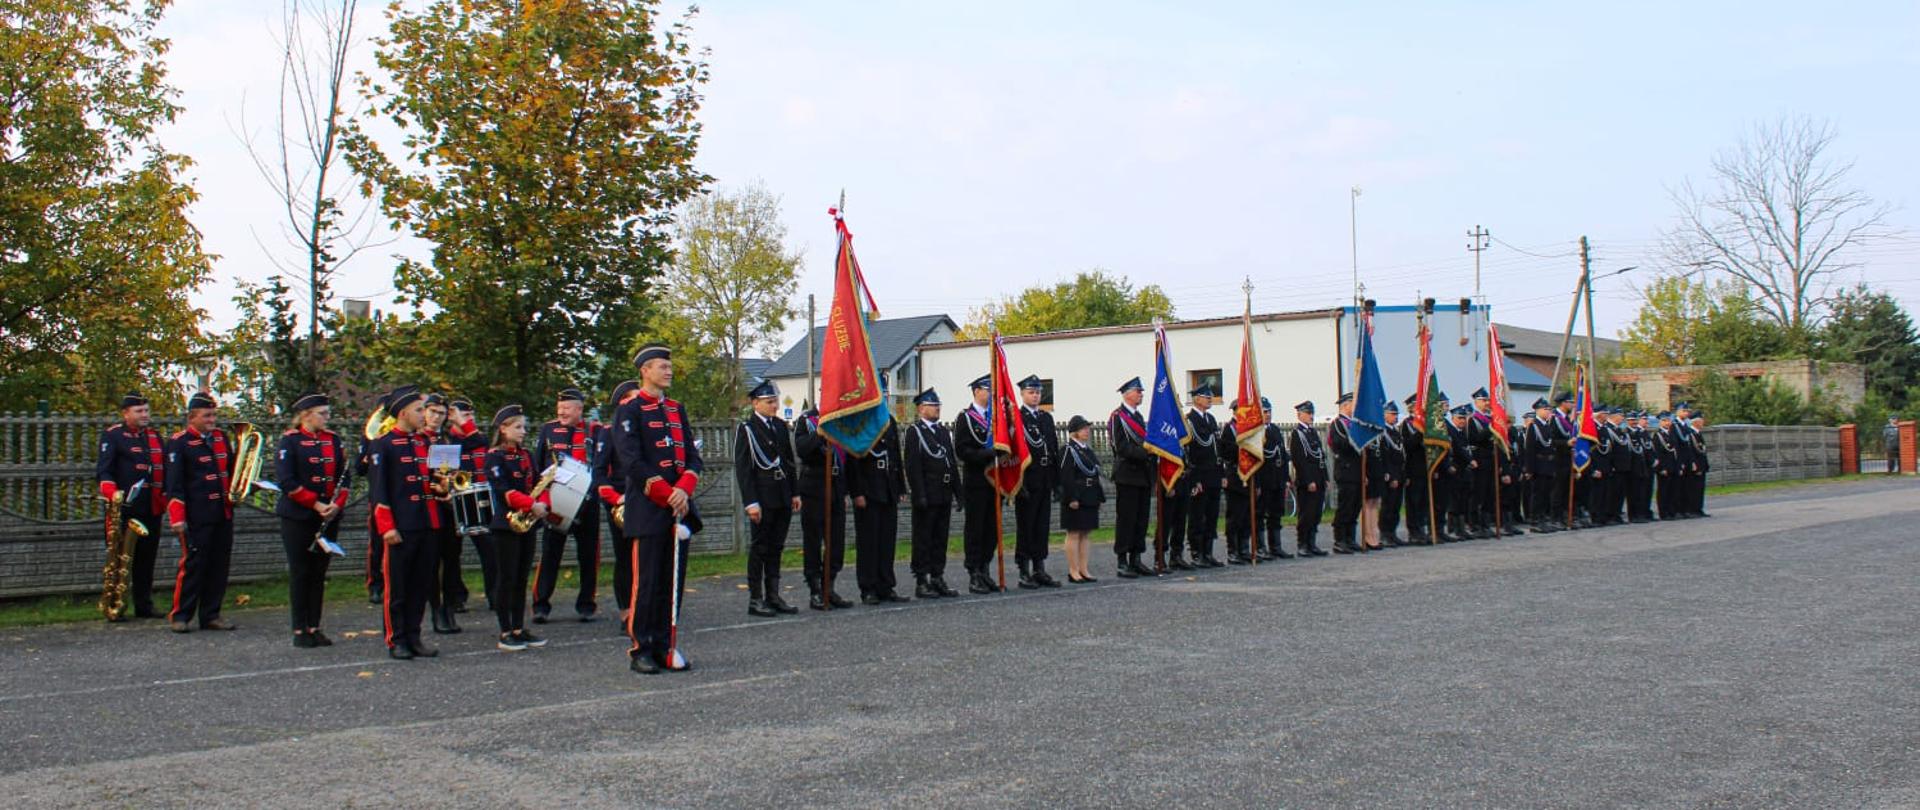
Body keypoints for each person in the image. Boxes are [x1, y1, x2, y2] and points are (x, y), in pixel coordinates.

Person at [615, 343, 705, 675]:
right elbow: (632, 461)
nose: (668, 371)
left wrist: (684, 489)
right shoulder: (629, 409)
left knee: (673, 582)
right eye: (661, 367)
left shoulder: (677, 409)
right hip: (650, 508)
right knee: (647, 582)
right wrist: (668, 494)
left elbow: (693, 457)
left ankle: (666, 644)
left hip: (678, 507)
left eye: (669, 366)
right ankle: (641, 648)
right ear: (645, 371)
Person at [366, 386, 439, 659]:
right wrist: (387, 527)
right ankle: (396, 639)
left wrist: (442, 486)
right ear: (403, 413)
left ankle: (414, 635)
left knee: (420, 585)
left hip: (427, 522)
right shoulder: (382, 444)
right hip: (400, 525)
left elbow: (431, 479)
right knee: (397, 587)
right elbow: (379, 491)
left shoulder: (424, 443)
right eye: (419, 410)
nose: (423, 415)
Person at [273, 393, 349, 648]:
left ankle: (314, 625)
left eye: (328, 413)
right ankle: (299, 628)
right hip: (298, 515)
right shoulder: (290, 441)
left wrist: (336, 505)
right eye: (322, 413)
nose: (327, 418)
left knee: (319, 572)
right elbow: (286, 481)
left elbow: (344, 477)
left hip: (329, 515)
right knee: (300, 571)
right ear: (306, 415)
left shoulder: (333, 440)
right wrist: (316, 504)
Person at [164, 391, 242, 634]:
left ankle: (211, 614)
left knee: (219, 565)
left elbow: (231, 470)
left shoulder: (221, 438)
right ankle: (180, 615)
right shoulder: (180, 442)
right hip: (196, 514)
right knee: (194, 565)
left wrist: (241, 487)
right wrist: (177, 517)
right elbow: (174, 484)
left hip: (222, 512)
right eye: (206, 416)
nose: (212, 420)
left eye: (214, 415)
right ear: (192, 417)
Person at [531, 388, 602, 623]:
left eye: (567, 408)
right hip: (556, 501)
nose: (561, 412)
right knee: (550, 553)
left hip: (587, 503)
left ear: (579, 409)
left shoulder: (595, 430)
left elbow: (602, 464)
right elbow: (538, 463)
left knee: (588, 556)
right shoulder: (549, 429)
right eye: (559, 408)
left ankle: (586, 604)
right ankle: (541, 605)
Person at [482, 404, 549, 652]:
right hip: (505, 523)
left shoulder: (526, 455)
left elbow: (538, 482)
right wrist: (531, 504)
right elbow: (503, 490)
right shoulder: (494, 457)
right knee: (506, 577)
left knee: (521, 577)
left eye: (524, 427)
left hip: (527, 523)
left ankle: (519, 627)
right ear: (503, 428)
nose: (523, 431)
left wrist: (543, 503)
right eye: (518, 427)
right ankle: (505, 630)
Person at [95, 391, 166, 620]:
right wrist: (113, 494)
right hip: (124, 508)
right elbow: (104, 472)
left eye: (146, 410)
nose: (144, 415)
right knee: (119, 558)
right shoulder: (113, 436)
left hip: (150, 507)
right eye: (139, 411)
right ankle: (114, 605)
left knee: (146, 559)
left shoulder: (154, 437)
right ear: (126, 413)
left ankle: (144, 605)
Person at [734, 379, 800, 617]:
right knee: (760, 548)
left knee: (776, 547)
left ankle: (773, 594)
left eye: (775, 401)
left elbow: (789, 462)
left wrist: (794, 492)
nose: (775, 406)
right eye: (770, 402)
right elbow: (744, 469)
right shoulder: (747, 429)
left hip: (781, 494)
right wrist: (751, 502)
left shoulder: (780, 426)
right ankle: (755, 598)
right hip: (762, 497)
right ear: (755, 403)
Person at [903, 389, 963, 598]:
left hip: (943, 493)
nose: (937, 409)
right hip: (927, 494)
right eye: (932, 405)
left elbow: (951, 463)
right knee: (923, 538)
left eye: (938, 405)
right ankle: (922, 580)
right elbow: (913, 466)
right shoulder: (915, 432)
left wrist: (958, 492)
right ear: (921, 408)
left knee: (940, 538)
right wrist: (919, 494)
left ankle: (937, 576)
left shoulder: (942, 432)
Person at [795, 403, 852, 609]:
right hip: (814, 487)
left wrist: (845, 491)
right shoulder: (807, 420)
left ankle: (829, 586)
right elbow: (802, 450)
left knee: (836, 541)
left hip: (836, 486)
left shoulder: (841, 419)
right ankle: (815, 589)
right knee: (813, 541)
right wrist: (820, 434)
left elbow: (846, 457)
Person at [594, 380, 642, 623]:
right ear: (623, 402)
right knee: (624, 559)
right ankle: (626, 613)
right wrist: (617, 500)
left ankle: (645, 609)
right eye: (635, 397)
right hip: (621, 501)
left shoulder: (644, 428)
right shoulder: (608, 432)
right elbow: (599, 474)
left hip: (646, 499)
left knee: (647, 558)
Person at [849, 414, 910, 604]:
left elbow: (895, 453)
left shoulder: (888, 418)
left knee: (887, 541)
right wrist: (857, 492)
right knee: (868, 542)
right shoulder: (860, 418)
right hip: (869, 489)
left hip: (888, 486)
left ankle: (886, 585)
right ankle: (868, 587)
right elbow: (853, 458)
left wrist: (900, 486)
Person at [952, 375, 1005, 594]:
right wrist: (987, 454)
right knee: (975, 528)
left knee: (991, 529)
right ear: (976, 391)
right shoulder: (965, 418)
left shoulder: (996, 418)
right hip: (976, 481)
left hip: (995, 481)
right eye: (987, 389)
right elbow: (962, 450)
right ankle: (974, 571)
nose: (991, 393)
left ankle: (985, 568)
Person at [420, 393, 462, 635]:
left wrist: (451, 488)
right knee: (432, 561)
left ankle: (449, 608)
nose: (436, 417)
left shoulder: (446, 439)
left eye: (441, 413)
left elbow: (449, 472)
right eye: (432, 412)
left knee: (452, 560)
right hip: (427, 506)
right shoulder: (418, 439)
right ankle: (436, 610)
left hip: (448, 505)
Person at [1014, 375, 1062, 587]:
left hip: (1044, 477)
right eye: (1031, 392)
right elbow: (1014, 452)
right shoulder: (1017, 418)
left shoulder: (1046, 418)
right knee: (1027, 525)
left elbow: (1053, 450)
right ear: (1022, 394)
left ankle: (1039, 567)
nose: (1035, 396)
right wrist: (1019, 482)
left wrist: (1056, 482)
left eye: (1038, 392)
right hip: (1028, 478)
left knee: (1042, 526)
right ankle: (1024, 569)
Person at [1109, 377, 1159, 577]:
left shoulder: (1138, 417)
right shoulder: (1118, 416)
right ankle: (1122, 560)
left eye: (1141, 392)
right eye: (1138, 391)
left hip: (1143, 475)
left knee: (1141, 519)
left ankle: (1136, 558)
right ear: (1127, 394)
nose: (1141, 395)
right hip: (1127, 474)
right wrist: (1145, 453)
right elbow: (1119, 447)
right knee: (1126, 519)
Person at [447, 398, 488, 611]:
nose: (469, 420)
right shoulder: (447, 440)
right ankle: (456, 597)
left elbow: (479, 443)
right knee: (452, 554)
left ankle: (495, 595)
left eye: (471, 416)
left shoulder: (478, 437)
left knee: (489, 550)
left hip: (479, 499)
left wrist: (466, 424)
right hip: (454, 500)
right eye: (465, 416)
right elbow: (446, 469)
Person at [1183, 384, 1226, 568]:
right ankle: (1196, 553)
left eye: (1210, 397)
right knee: (1197, 516)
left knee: (1211, 516)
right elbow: (1190, 453)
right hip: (1199, 476)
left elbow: (1217, 449)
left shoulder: (1211, 419)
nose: (1209, 399)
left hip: (1214, 475)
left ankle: (1208, 552)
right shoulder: (1190, 421)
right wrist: (1195, 480)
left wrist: (1222, 474)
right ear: (1196, 399)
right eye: (1206, 397)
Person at [1056, 415, 1103, 583]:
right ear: (1074, 431)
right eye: (1083, 428)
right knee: (1074, 532)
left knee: (1086, 533)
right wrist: (1071, 497)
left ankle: (1084, 569)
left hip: (1089, 495)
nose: (1087, 431)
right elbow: (1065, 476)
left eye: (1087, 428)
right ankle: (1073, 570)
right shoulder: (1067, 450)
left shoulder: (1087, 450)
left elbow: (1095, 474)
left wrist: (1099, 497)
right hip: (1076, 496)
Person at [1289, 401, 1329, 556]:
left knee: (1316, 513)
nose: (1311, 416)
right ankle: (1303, 544)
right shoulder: (1297, 434)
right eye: (1308, 413)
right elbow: (1299, 460)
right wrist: (1309, 480)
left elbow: (1320, 456)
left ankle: (1312, 543)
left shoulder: (1312, 432)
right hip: (1307, 481)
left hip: (1318, 478)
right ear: (1299, 415)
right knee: (1306, 513)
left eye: (1312, 413)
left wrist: (1325, 477)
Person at [1328, 393, 1364, 554]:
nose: (1354, 407)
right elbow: (1338, 444)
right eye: (1352, 404)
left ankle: (1350, 538)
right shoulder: (1338, 423)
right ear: (1345, 405)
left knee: (1355, 506)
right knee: (1345, 506)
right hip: (1346, 470)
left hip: (1357, 470)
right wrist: (1356, 440)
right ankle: (1340, 539)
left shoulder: (1353, 423)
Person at [1256, 398, 1292, 560]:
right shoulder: (1256, 432)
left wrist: (1286, 478)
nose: (1268, 414)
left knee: (1276, 513)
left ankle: (1275, 546)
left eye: (1269, 411)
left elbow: (1282, 455)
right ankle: (1260, 547)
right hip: (1264, 478)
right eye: (1265, 412)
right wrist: (1257, 483)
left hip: (1277, 478)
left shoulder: (1275, 430)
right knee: (1260, 514)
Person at [1400, 394, 1433, 544]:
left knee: (1424, 501)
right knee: (1413, 501)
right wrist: (1420, 432)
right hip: (1413, 468)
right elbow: (1407, 446)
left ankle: (1422, 528)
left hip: (1425, 467)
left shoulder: (1427, 424)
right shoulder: (1406, 425)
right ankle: (1414, 531)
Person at [1377, 401, 1406, 547]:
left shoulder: (1395, 432)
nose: (1395, 417)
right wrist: (1392, 476)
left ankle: (1392, 532)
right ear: (1385, 415)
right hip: (1391, 475)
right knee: (1388, 505)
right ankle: (1385, 533)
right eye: (1392, 414)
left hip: (1399, 473)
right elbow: (1385, 457)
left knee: (1396, 506)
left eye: (1396, 414)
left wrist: (1403, 476)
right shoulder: (1383, 433)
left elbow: (1401, 455)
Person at [1654, 411, 1681, 520]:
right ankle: (1664, 512)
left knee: (1673, 490)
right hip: (1664, 468)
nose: (1667, 423)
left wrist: (1678, 466)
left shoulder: (1672, 434)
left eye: (1668, 420)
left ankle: (1672, 511)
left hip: (1673, 466)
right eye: (1664, 421)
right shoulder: (1658, 436)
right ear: (1660, 422)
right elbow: (1658, 454)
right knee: (1663, 491)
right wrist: (1661, 468)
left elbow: (1676, 452)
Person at [1686, 410, 1712, 518]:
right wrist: (1694, 464)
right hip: (1695, 466)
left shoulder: (1698, 433)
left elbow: (1702, 451)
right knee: (1693, 489)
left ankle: (1698, 508)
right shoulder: (1690, 434)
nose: (1703, 422)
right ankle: (1692, 509)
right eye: (1701, 420)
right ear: (1695, 422)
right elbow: (1690, 451)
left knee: (1700, 489)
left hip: (1701, 465)